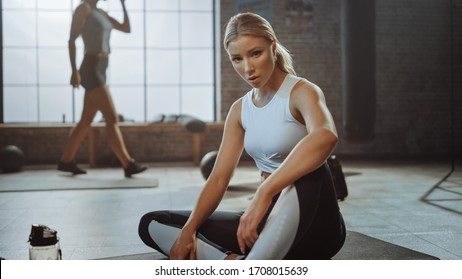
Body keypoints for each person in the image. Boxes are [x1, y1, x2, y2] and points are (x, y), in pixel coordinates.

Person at [138, 12, 345, 259]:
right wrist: (189, 230)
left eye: (256, 53)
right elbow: (218, 179)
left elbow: (326, 135)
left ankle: (249, 261)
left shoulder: (302, 92)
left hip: (316, 226)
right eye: (237, 59)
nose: (248, 68)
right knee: (154, 223)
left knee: (314, 169)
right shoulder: (240, 110)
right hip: (267, 218)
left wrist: (264, 191)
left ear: (273, 46)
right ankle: (234, 262)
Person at [57, 0, 146, 178]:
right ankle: (128, 164)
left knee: (86, 119)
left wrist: (123, 4)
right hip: (90, 68)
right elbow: (71, 40)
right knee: (111, 117)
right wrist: (74, 71)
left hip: (102, 67)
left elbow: (126, 28)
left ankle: (66, 161)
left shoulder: (101, 13)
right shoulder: (84, 9)